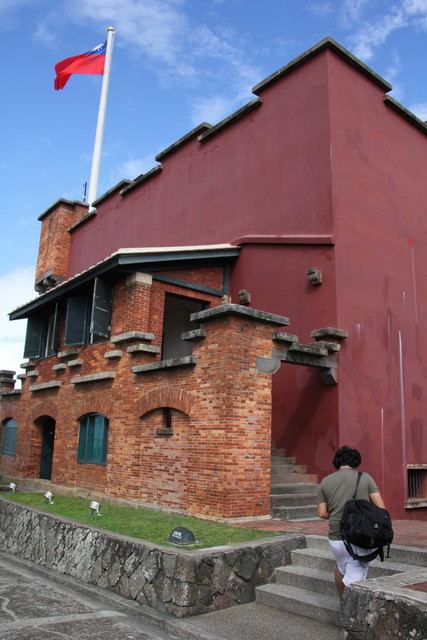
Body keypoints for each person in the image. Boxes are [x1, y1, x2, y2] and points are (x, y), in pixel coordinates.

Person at [317, 445, 386, 603]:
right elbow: (381, 508)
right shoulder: (365, 478)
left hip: (335, 538)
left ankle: (342, 602)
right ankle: (350, 612)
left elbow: (322, 513)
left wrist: (338, 514)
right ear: (356, 462)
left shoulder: (325, 481)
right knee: (355, 580)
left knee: (341, 567)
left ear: (337, 462)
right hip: (357, 536)